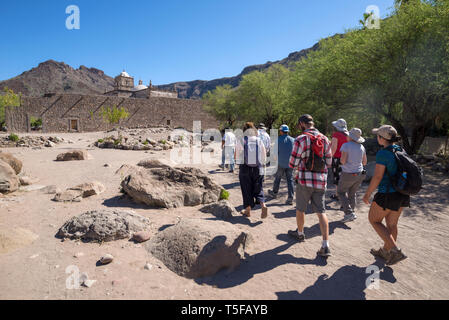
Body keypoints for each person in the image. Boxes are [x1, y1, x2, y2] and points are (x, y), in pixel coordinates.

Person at [362, 125, 409, 266]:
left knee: (374, 220)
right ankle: (385, 251)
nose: (377, 138)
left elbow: (377, 177)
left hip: (387, 194)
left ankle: (395, 250)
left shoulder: (383, 153)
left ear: (382, 138)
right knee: (392, 224)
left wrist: (367, 194)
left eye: (378, 135)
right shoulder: (401, 150)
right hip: (402, 193)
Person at [288, 114, 333, 257]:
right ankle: (325, 245)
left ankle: (300, 233)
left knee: (300, 209)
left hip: (304, 180)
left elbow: (292, 163)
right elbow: (330, 162)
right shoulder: (325, 139)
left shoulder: (300, 139)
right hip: (320, 180)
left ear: (302, 123)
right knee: (321, 212)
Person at [236, 122, 268, 219]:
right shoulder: (259, 140)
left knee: (246, 189)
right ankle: (263, 205)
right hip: (258, 168)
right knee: (259, 188)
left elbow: (236, 155)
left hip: (245, 168)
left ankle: (248, 211)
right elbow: (264, 156)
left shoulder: (242, 140)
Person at [338, 128, 367, 223]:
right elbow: (365, 162)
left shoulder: (346, 145)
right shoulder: (362, 147)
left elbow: (343, 160)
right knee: (352, 193)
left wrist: (341, 164)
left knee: (341, 192)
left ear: (350, 136)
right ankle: (351, 213)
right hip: (360, 173)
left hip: (348, 173)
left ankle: (349, 213)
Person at [268, 125, 295, 205]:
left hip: (280, 163)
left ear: (281, 131)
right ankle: (290, 198)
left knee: (278, 178)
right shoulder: (293, 140)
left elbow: (275, 152)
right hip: (290, 163)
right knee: (290, 180)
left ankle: (274, 193)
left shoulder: (278, 140)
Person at [330, 119, 349, 201]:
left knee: (337, 177)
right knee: (345, 177)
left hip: (337, 158)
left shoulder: (336, 135)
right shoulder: (348, 135)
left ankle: (339, 195)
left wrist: (329, 157)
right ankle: (340, 194)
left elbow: (333, 148)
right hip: (347, 158)